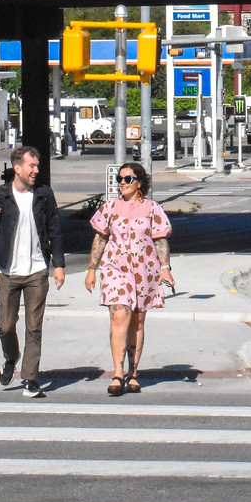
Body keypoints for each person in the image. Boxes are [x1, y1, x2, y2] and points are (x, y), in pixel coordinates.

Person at [0, 144, 65, 398]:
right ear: (17, 168)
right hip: (7, 270)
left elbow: (55, 230)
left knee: (34, 328)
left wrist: (58, 264)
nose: (36, 170)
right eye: (32, 166)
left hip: (37, 270)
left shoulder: (44, 195)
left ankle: (30, 378)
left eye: (37, 166)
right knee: (6, 326)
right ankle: (10, 356)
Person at [84, 162, 173, 395]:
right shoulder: (109, 208)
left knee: (137, 320)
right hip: (116, 269)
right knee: (119, 315)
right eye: (119, 179)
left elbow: (161, 240)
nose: (122, 183)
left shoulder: (153, 209)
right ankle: (117, 373)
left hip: (145, 270)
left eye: (128, 179)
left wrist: (166, 268)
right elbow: (100, 238)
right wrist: (92, 269)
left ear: (139, 183)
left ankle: (133, 373)